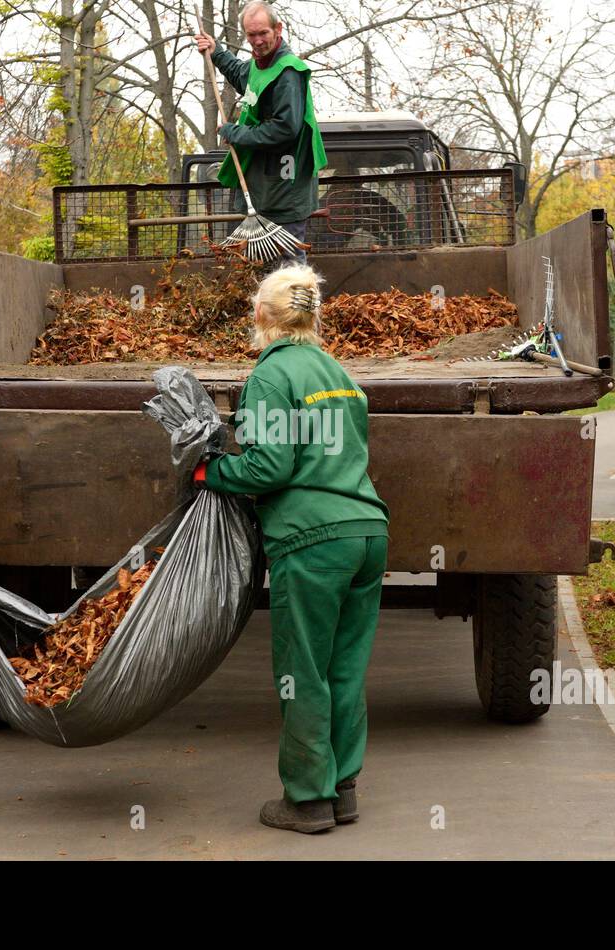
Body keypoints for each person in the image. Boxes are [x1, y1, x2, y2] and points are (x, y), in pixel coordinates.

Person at [194, 264, 389, 833]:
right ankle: (342, 790)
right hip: (366, 531)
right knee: (346, 669)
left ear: (261, 316)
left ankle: (307, 800)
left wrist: (213, 472)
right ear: (313, 316)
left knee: (303, 671)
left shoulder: (271, 376)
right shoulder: (341, 374)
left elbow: (270, 465)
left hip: (313, 541)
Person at [195, 1, 327, 265]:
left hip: (285, 188)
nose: (256, 41)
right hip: (265, 186)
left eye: (262, 33)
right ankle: (266, 307)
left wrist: (236, 133)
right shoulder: (260, 65)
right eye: (251, 35)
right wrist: (216, 51)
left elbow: (284, 128)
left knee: (288, 261)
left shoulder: (288, 72)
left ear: (278, 29)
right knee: (264, 262)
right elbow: (241, 74)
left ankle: (296, 306)